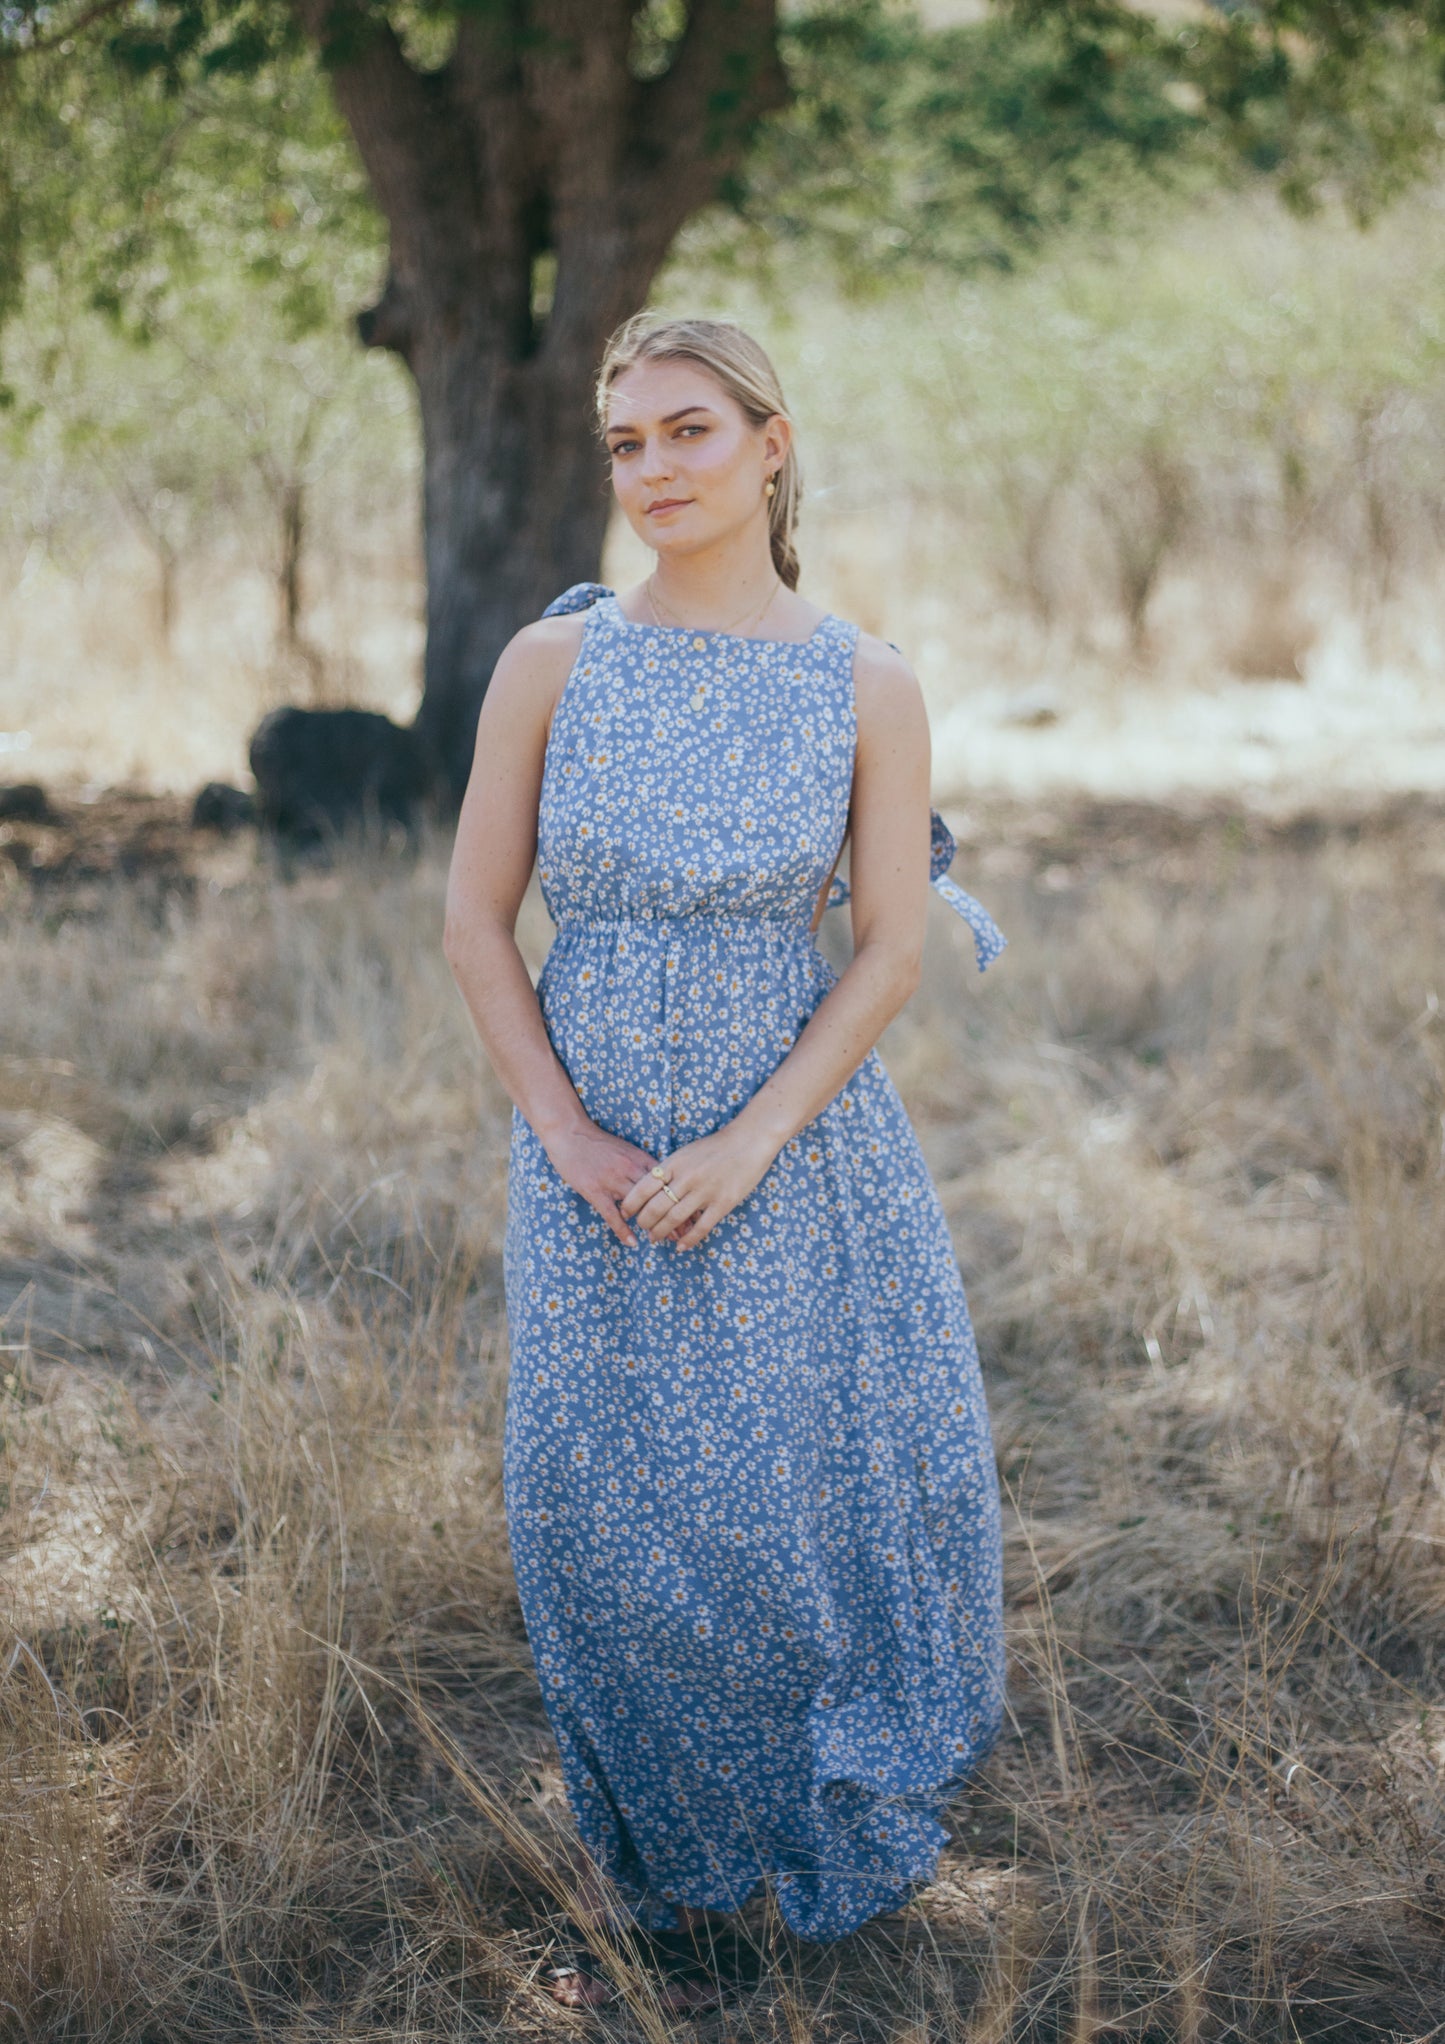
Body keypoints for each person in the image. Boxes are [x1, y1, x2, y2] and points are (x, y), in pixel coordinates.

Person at [443, 313, 1006, 2010]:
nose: (652, 472)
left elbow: (891, 949)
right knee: (598, 1511)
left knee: (790, 1508)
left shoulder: (865, 682)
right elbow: (475, 920)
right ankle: (669, 1878)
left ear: (770, 445)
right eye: (625, 445)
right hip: (591, 1146)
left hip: (794, 1149)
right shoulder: (556, 662)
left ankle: (806, 1835)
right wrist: (571, 1134)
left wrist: (750, 1144)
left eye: (686, 432)